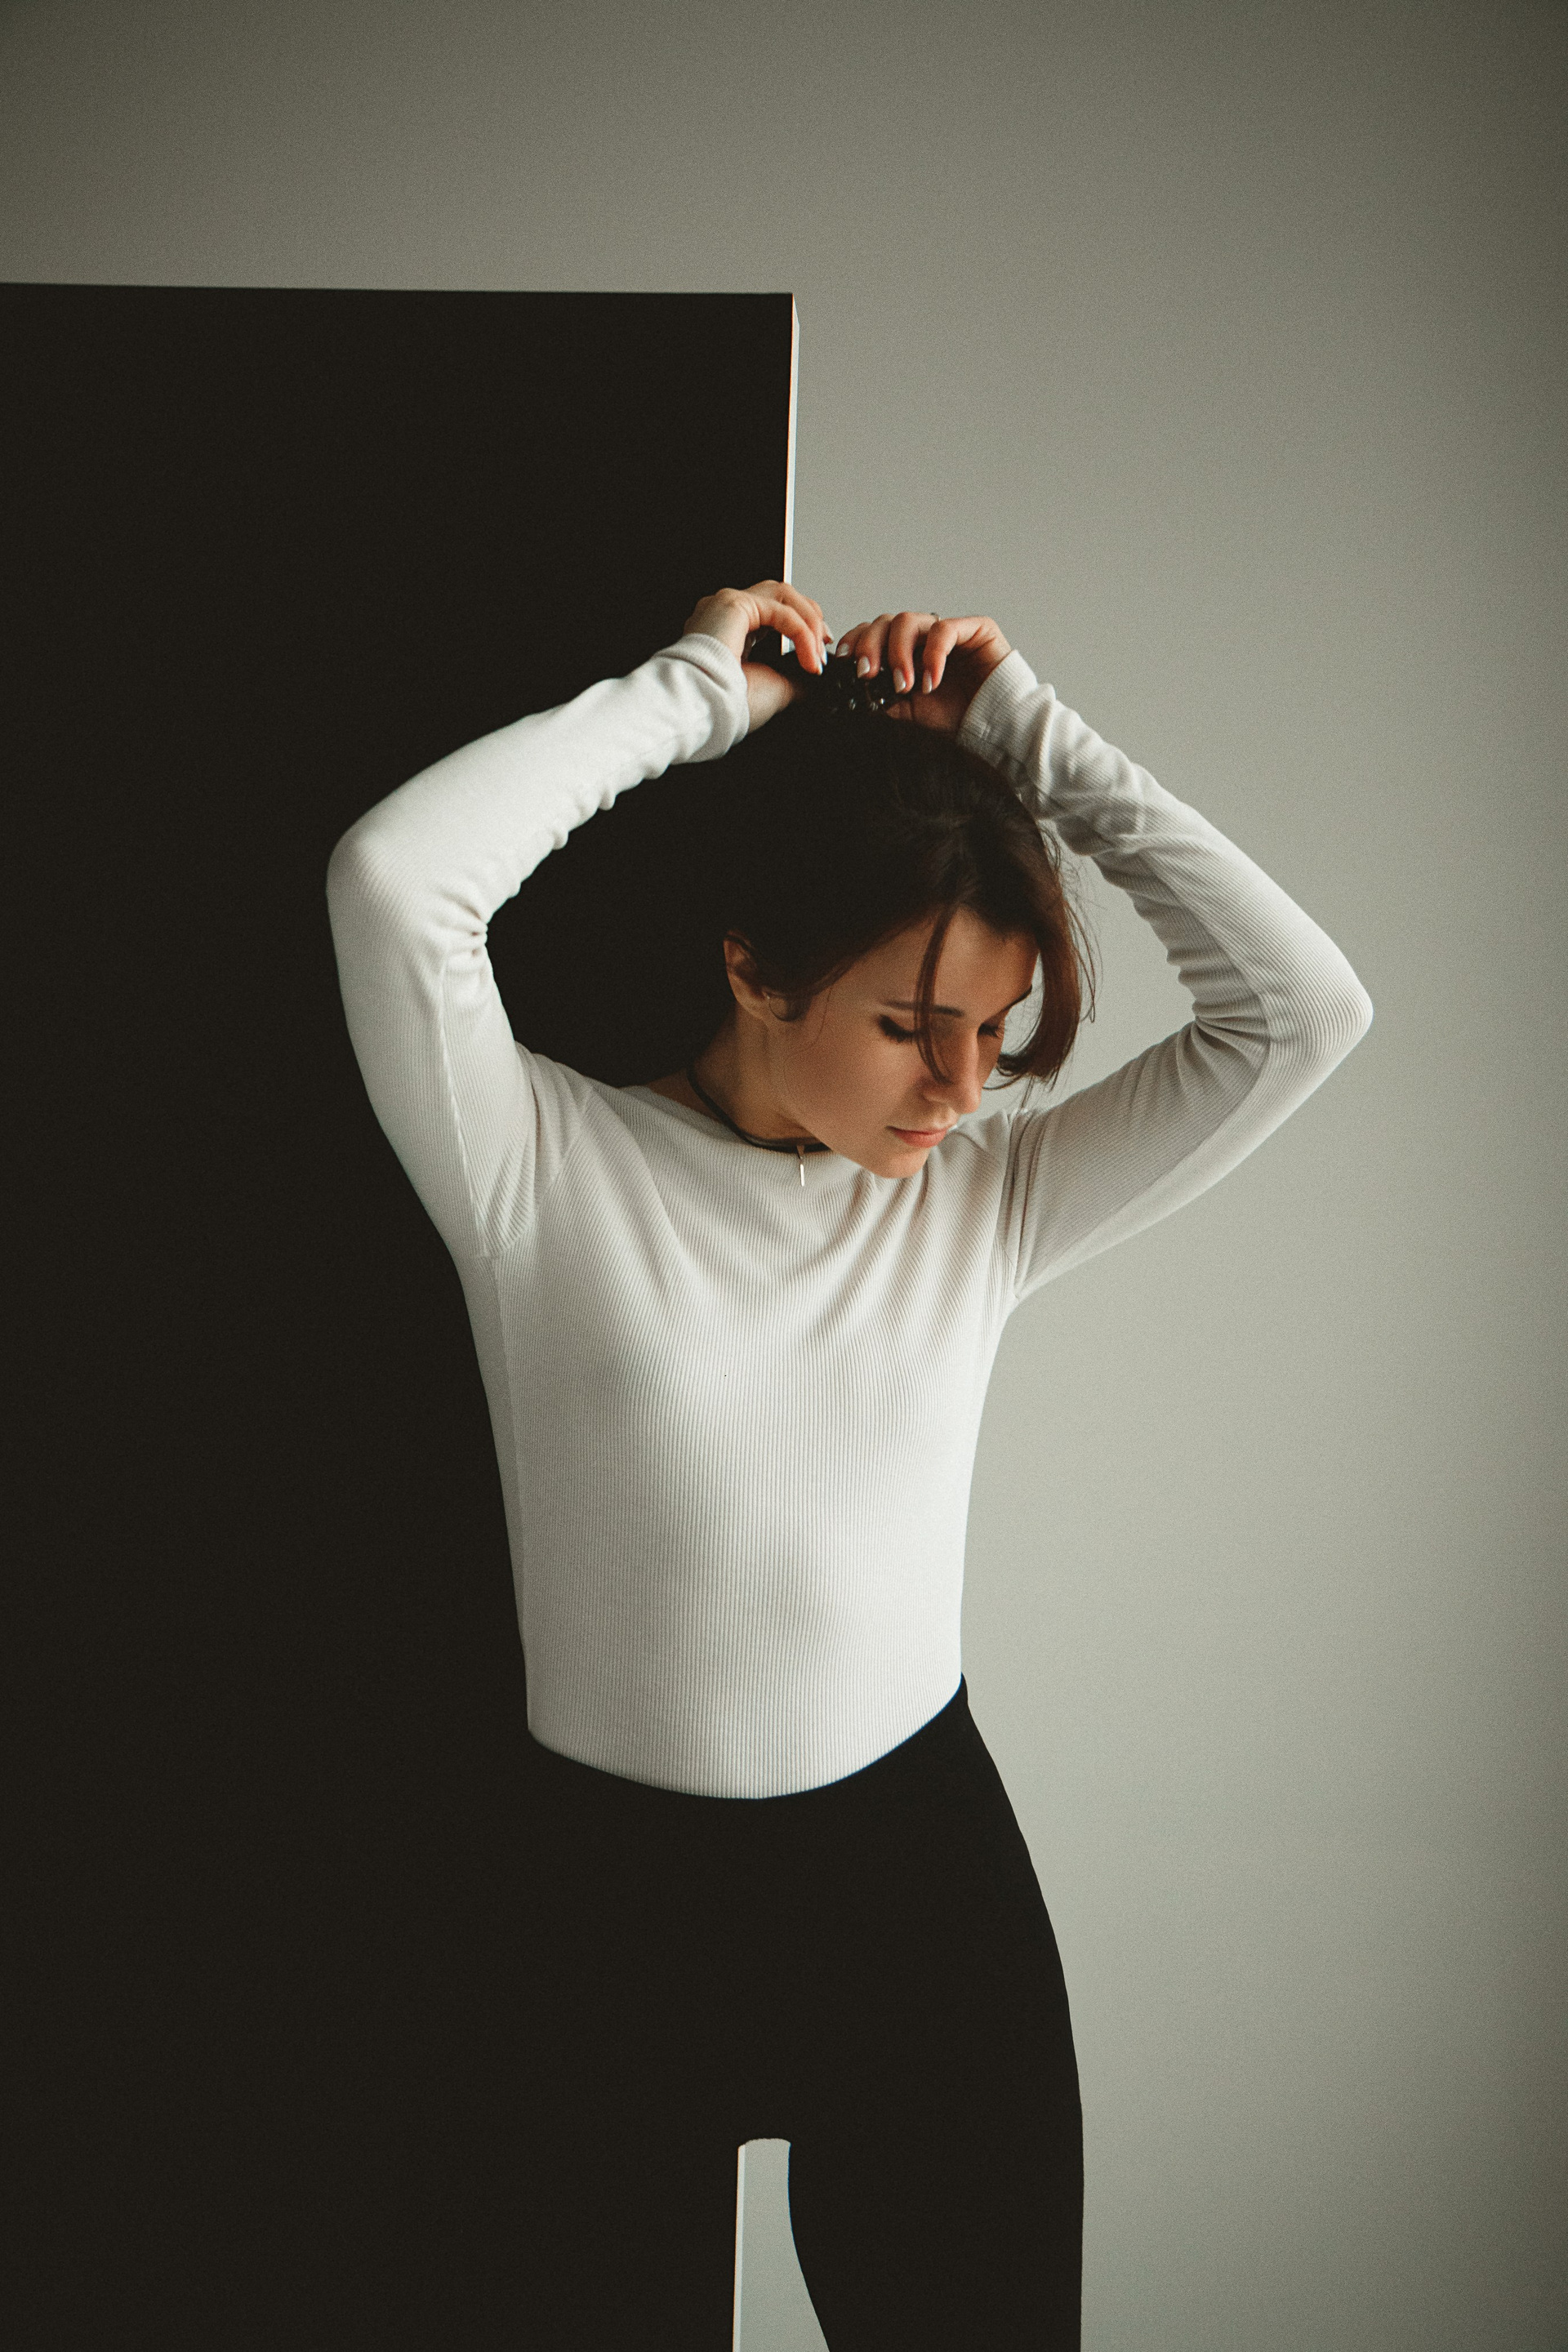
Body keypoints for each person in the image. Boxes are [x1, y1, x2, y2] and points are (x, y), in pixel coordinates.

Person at [326, 579, 1372, 2349]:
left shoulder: (985, 1203)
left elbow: (1303, 1014)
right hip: (595, 1919)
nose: (961, 1087)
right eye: (908, 1025)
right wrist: (690, 700)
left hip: (914, 1890)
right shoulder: (538, 1167)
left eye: (996, 1030)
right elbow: (391, 886)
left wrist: (1029, 737)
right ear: (754, 965)